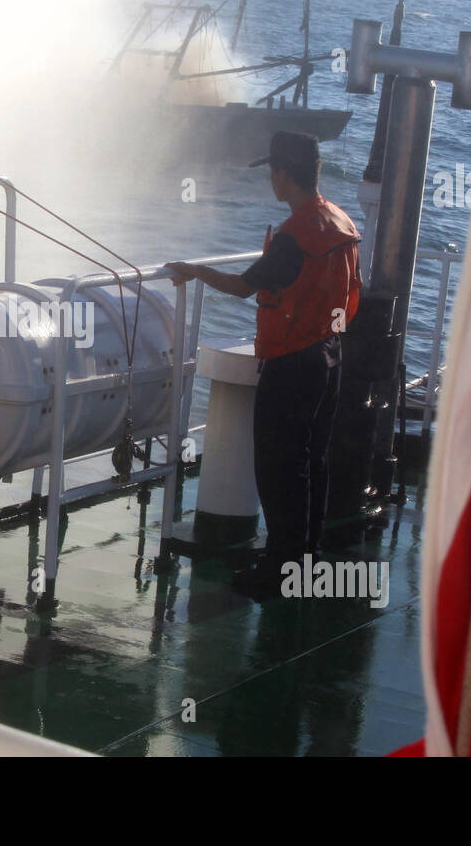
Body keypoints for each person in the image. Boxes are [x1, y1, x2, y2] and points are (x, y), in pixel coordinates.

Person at [166, 131, 360, 600]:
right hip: (330, 357)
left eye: (272, 171)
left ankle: (279, 571)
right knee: (312, 464)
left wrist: (193, 270)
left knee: (279, 470)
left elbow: (242, 285)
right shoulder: (339, 221)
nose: (270, 180)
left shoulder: (295, 237)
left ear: (284, 173)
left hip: (292, 364)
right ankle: (306, 560)